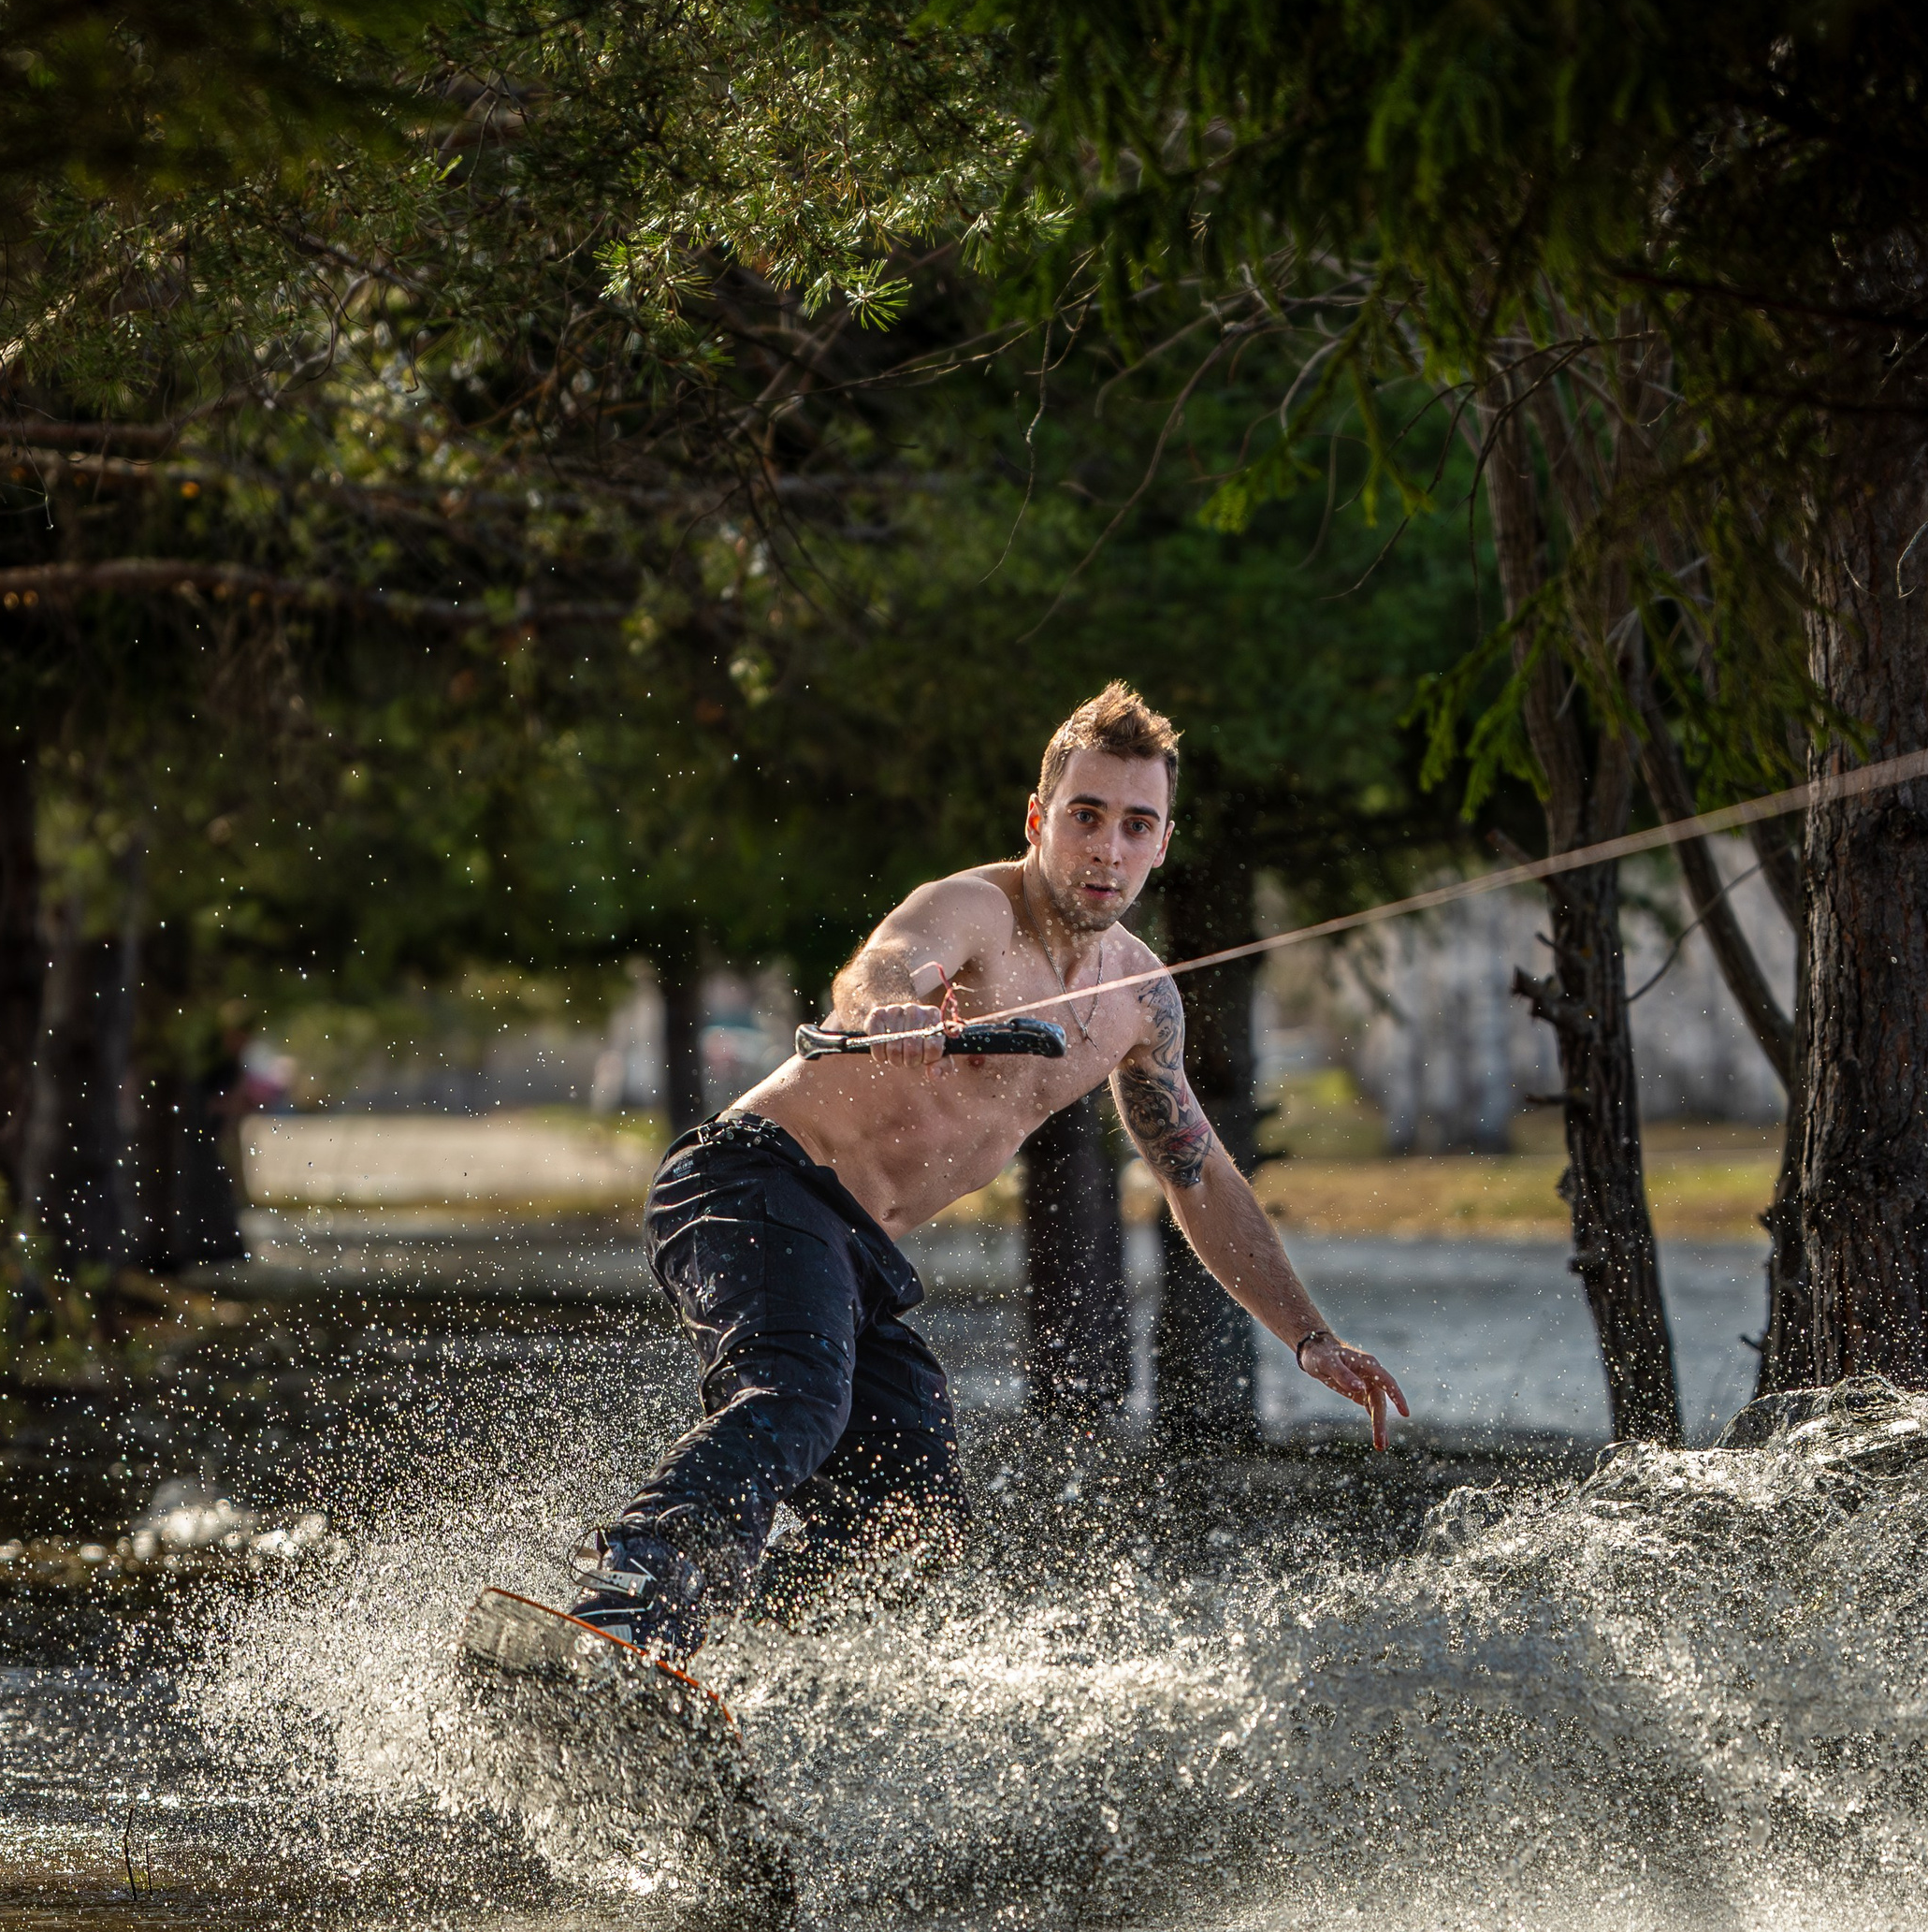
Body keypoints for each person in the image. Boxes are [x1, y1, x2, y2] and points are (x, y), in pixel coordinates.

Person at [539, 684, 1407, 1666]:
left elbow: (1196, 1174)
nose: (1106, 849)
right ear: (1040, 819)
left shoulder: (1140, 1005)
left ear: (1162, 842)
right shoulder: (980, 912)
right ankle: (628, 1591)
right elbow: (886, 960)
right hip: (749, 1180)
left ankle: (707, 1652)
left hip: (850, 1248)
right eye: (1084, 817)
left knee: (911, 1521)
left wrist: (1309, 1334)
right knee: (795, 1400)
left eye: (1135, 824)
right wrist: (892, 1007)